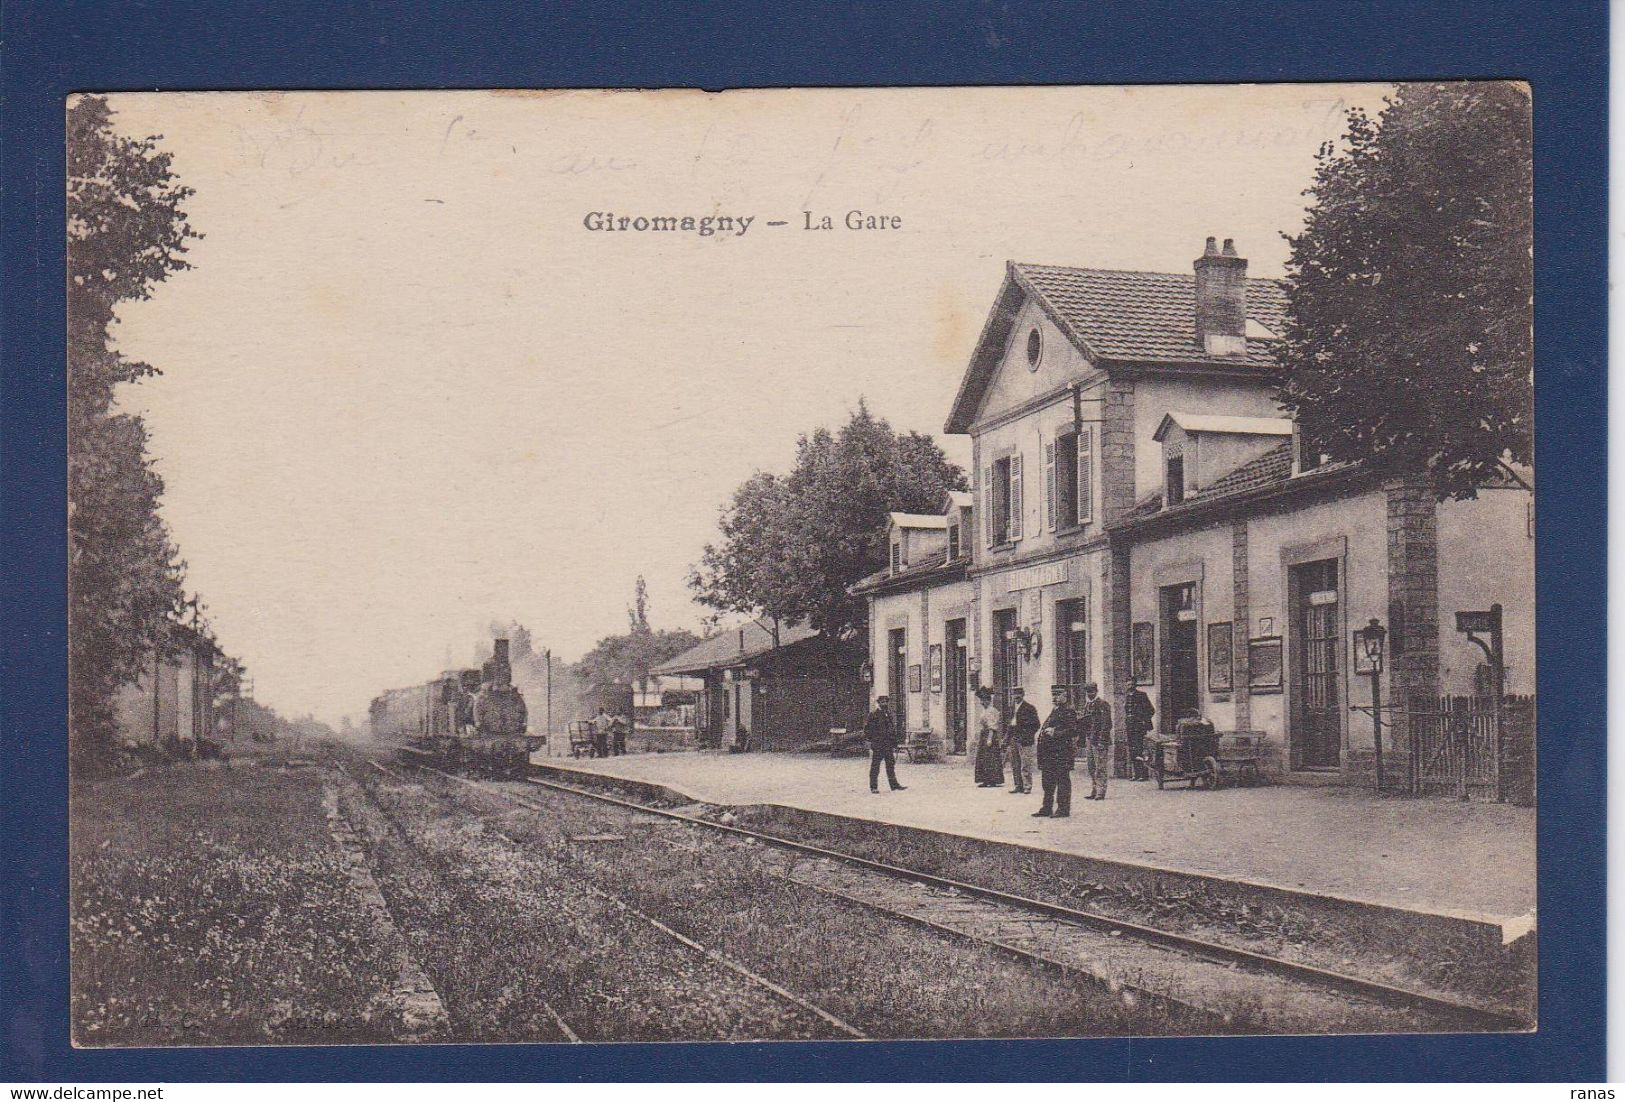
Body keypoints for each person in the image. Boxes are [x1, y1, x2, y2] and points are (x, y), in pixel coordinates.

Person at [1033, 684, 1079, 817]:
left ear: (1065, 695)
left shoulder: (1069, 711)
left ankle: (1063, 809)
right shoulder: (1055, 710)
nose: (1055, 697)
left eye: (1058, 695)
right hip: (1050, 753)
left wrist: (1055, 732)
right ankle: (1046, 808)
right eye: (1053, 695)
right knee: (1048, 782)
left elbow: (1073, 730)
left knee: (1062, 781)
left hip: (1061, 753)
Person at [1078, 682, 1114, 801]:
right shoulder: (1087, 705)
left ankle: (1101, 791)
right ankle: (1094, 790)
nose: (1090, 694)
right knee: (1091, 767)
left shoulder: (1102, 704)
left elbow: (1106, 724)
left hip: (1099, 740)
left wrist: (1102, 741)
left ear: (1096, 691)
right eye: (1088, 692)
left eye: (1092, 692)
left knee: (1100, 767)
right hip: (1090, 739)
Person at [864, 695, 906, 793]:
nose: (885, 704)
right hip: (878, 745)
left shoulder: (888, 714)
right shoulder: (873, 715)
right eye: (882, 702)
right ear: (879, 703)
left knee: (890, 766)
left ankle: (894, 785)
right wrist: (873, 741)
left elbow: (891, 729)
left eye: (886, 702)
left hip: (888, 745)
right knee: (875, 766)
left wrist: (894, 742)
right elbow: (867, 730)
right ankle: (873, 787)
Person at [1005, 687, 1039, 794]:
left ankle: (1027, 786)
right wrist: (1007, 738)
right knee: (1015, 763)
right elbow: (1010, 725)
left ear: (1023, 694)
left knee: (1025, 764)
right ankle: (1018, 785)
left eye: (1018, 694)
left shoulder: (1029, 708)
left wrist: (1026, 736)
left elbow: (1036, 725)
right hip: (1013, 738)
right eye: (1014, 694)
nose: (1016, 696)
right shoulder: (1011, 708)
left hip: (1025, 740)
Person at [972, 687, 1004, 787]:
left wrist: (989, 739)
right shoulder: (985, 710)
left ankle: (993, 779)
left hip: (990, 735)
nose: (982, 702)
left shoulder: (991, 711)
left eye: (984, 700)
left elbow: (992, 726)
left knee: (990, 757)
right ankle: (986, 780)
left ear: (988, 701)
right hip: (984, 735)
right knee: (984, 757)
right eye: (981, 700)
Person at [1125, 680, 1155, 780]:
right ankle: (1136, 774)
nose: (1130, 686)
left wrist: (1143, 720)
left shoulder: (1142, 695)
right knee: (1132, 750)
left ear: (1135, 685)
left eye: (1131, 684)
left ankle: (1144, 774)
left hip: (1139, 727)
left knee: (1140, 749)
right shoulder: (1127, 696)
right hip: (1130, 727)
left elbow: (1151, 710)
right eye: (1128, 684)